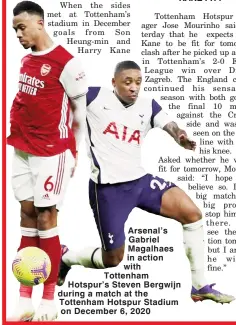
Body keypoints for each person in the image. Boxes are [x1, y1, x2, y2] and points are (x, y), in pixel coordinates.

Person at [58, 60, 234, 304]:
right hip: (108, 191)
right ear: (113, 82)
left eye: (138, 82)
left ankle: (199, 286)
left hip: (140, 182)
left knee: (192, 214)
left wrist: (179, 136)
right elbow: (62, 98)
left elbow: (169, 124)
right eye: (127, 82)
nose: (134, 87)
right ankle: (65, 258)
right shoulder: (94, 97)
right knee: (113, 260)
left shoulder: (147, 105)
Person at [7, 1, 87, 321]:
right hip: (22, 149)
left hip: (51, 151)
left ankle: (49, 298)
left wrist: (74, 152)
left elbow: (80, 111)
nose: (17, 34)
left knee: (45, 219)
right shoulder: (26, 60)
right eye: (14, 29)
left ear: (39, 23)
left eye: (22, 27)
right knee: (26, 216)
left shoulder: (66, 63)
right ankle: (25, 296)